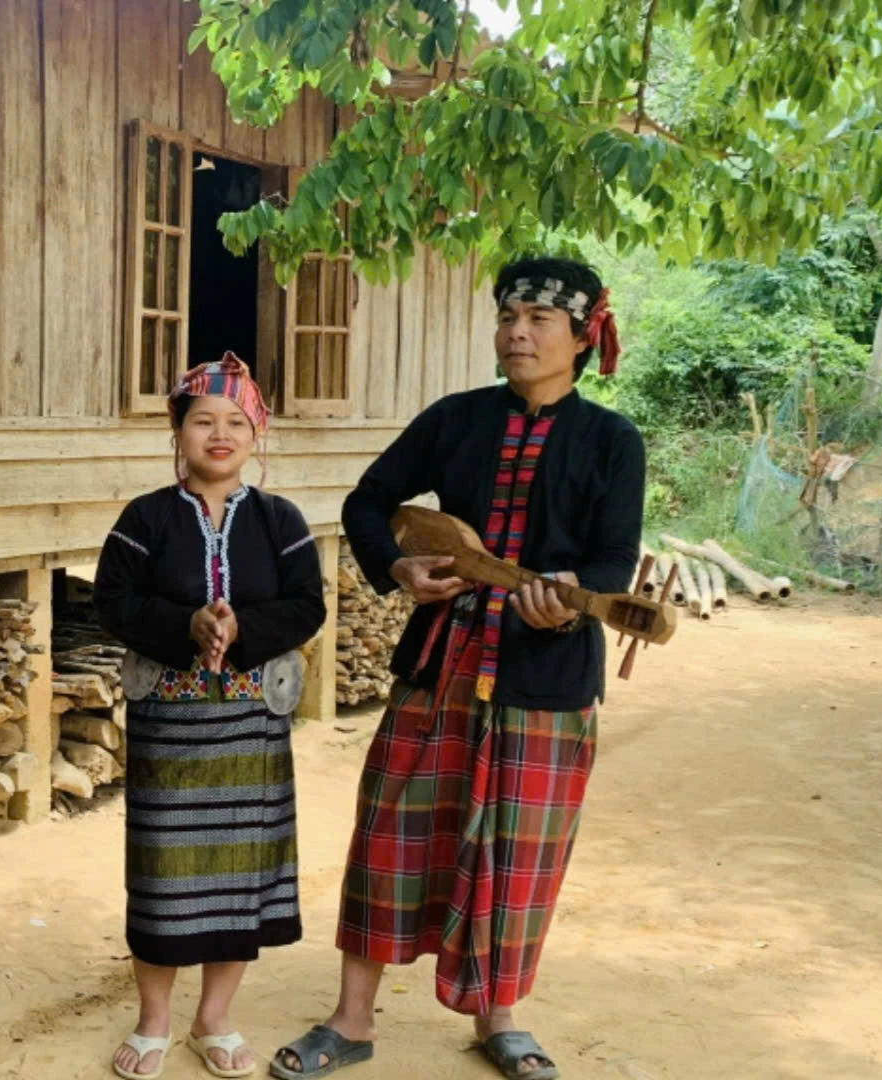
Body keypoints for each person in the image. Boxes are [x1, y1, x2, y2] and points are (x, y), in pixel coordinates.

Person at [270, 256, 643, 1080]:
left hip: (546, 678)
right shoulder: (454, 419)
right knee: (390, 832)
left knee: (515, 850)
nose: (515, 332)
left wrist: (577, 592)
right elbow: (369, 502)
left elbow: (616, 556)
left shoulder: (612, 441)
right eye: (507, 316)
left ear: (582, 337)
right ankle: (351, 1018)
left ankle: (497, 1019)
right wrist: (397, 568)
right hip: (443, 660)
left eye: (538, 320)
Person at [93, 353, 327, 1080]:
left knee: (238, 875)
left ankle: (213, 1019)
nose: (219, 434)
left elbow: (306, 604)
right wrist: (186, 623)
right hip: (170, 723)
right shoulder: (145, 518)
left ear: (256, 433)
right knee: (164, 875)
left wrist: (241, 628)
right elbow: (114, 601)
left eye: (235, 421)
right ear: (178, 432)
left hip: (251, 725)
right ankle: (154, 1020)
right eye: (203, 421)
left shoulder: (280, 520)